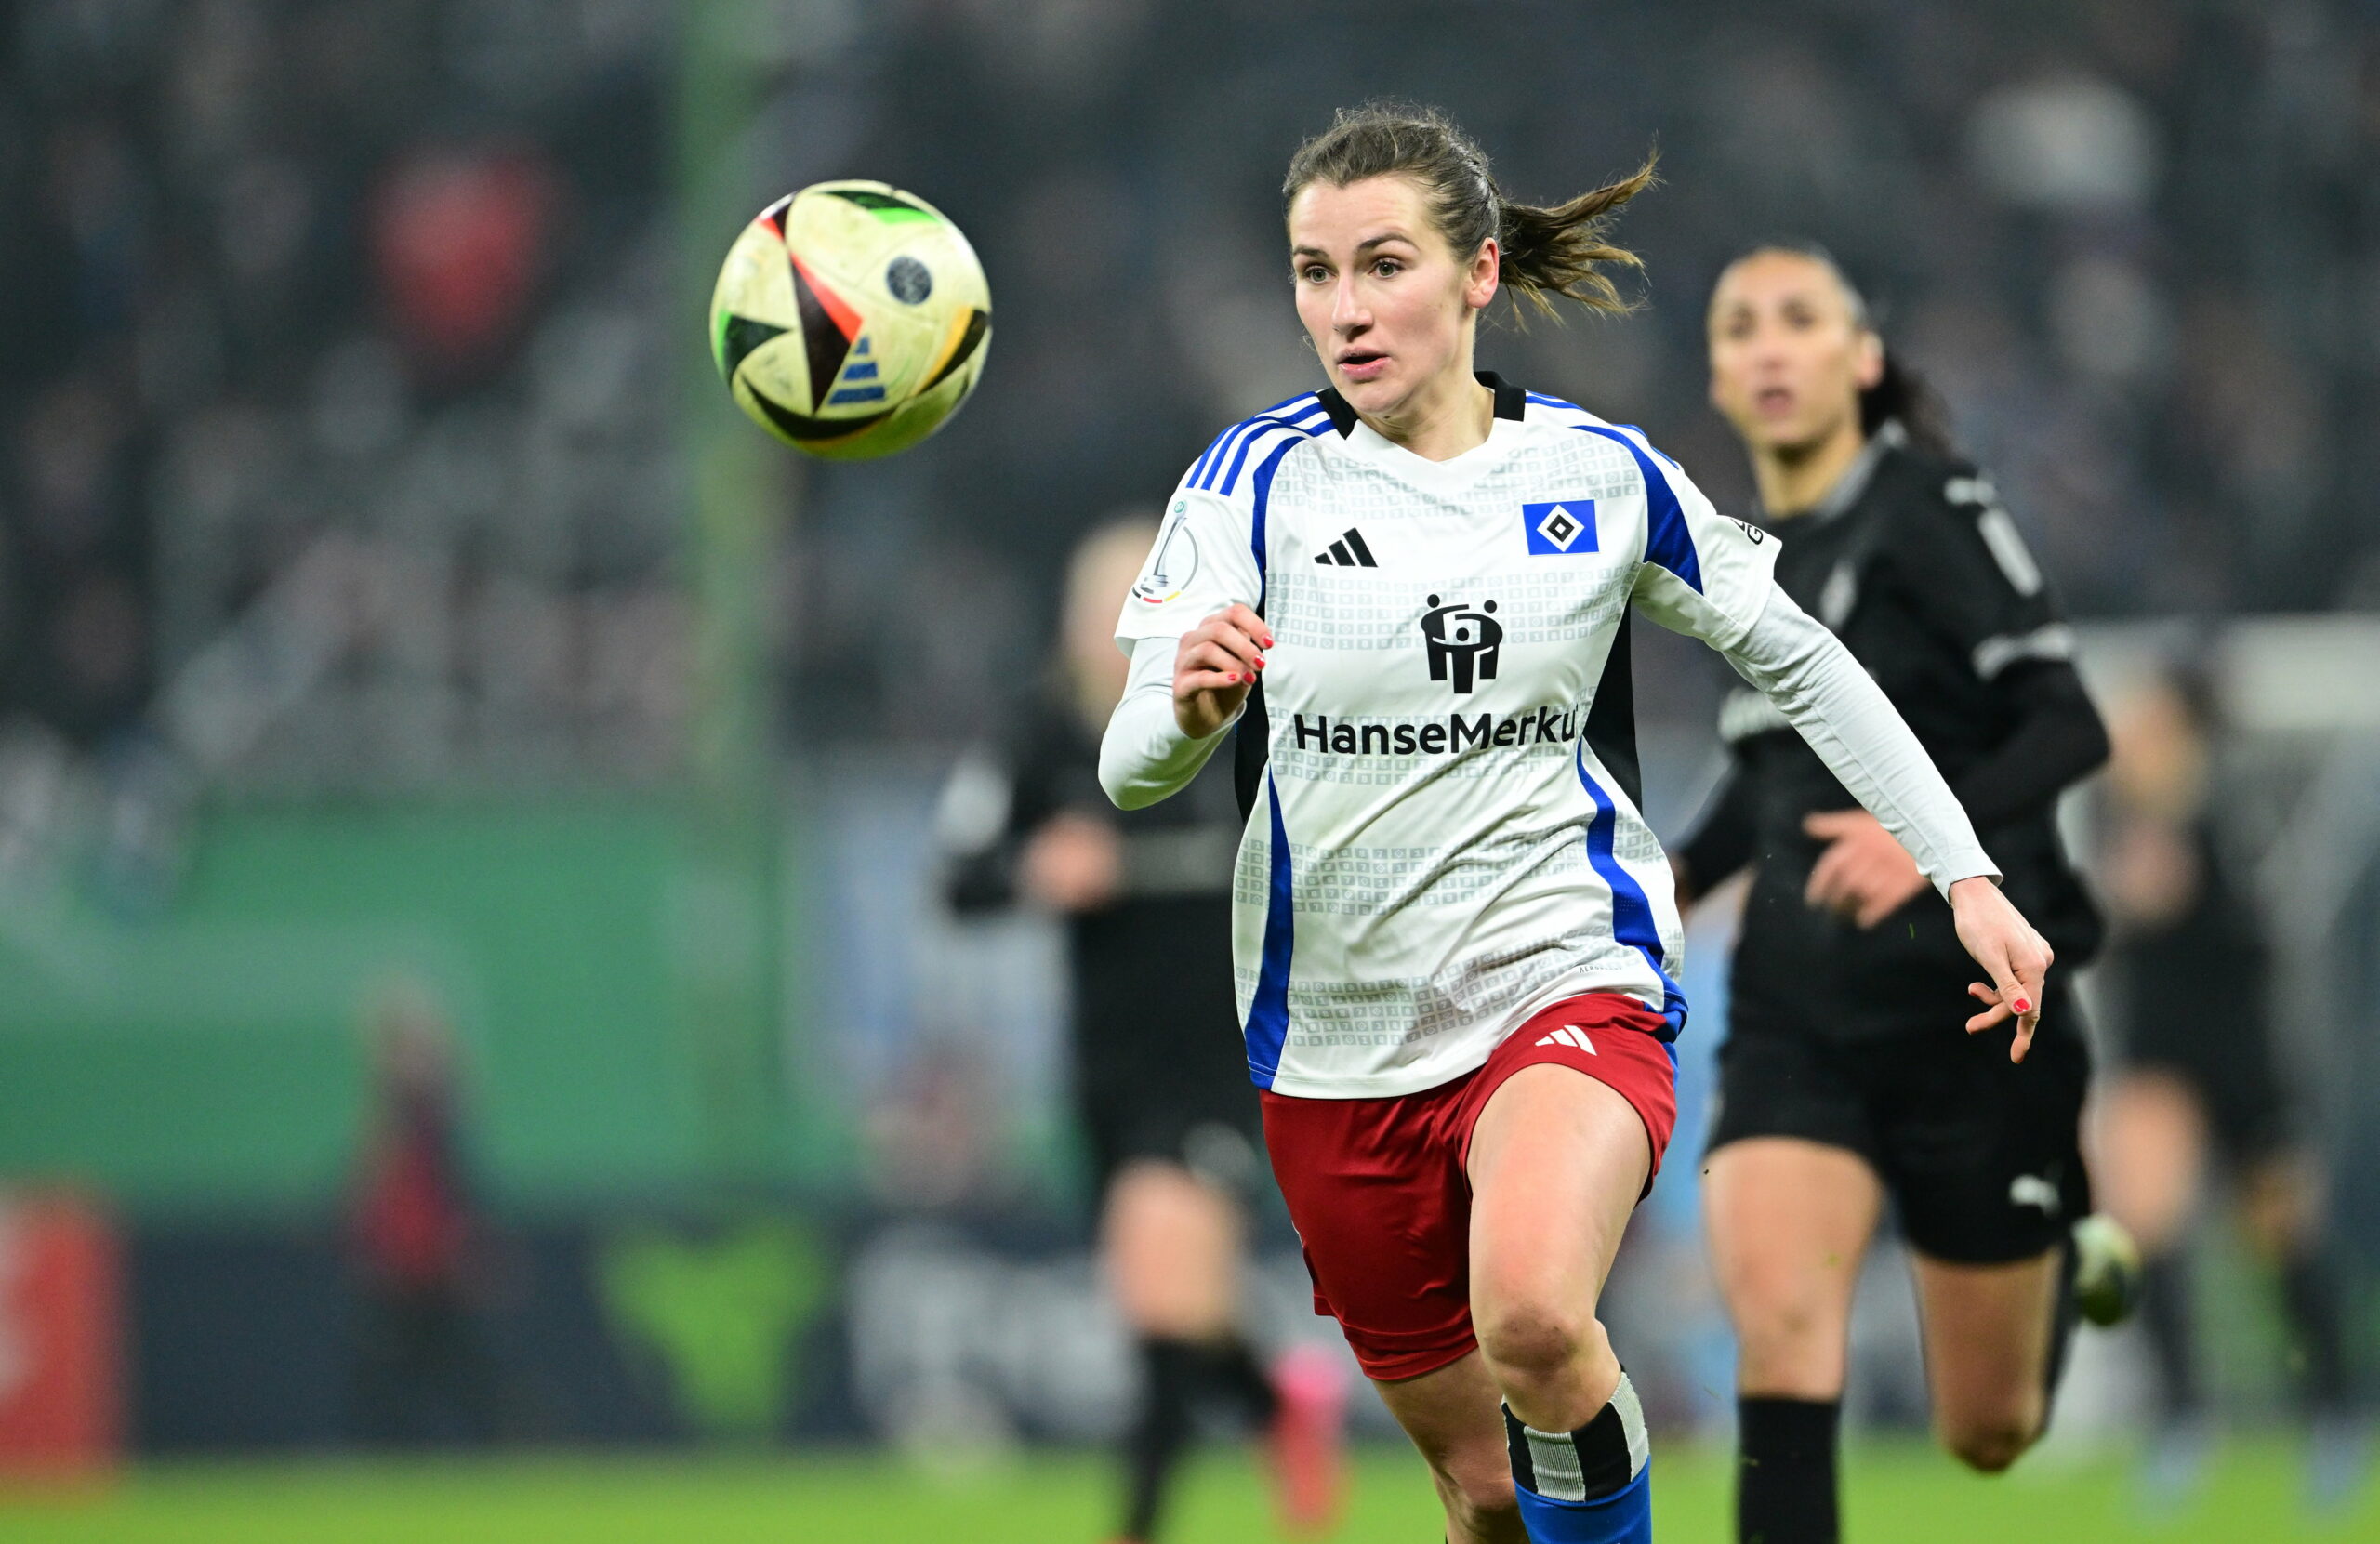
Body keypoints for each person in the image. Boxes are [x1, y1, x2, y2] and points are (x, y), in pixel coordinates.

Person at [1100, 103, 2057, 1544]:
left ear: (1480, 273)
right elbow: (1128, 768)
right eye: (1313, 273)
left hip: (1563, 977)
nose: (1345, 310)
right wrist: (1184, 707)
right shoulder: (1254, 485)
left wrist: (1965, 872)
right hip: (1333, 1042)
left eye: (1383, 265)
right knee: (1486, 1487)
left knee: (1540, 1316)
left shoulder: (1599, 477)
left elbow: (1800, 654)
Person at [1674, 244, 2138, 1544]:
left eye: (1800, 320)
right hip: (1795, 1011)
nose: (1769, 347)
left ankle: (2062, 1207)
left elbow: (2069, 724)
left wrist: (1922, 841)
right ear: (1716, 374)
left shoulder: (1927, 504)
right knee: (1780, 1335)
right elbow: (1759, 783)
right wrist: (1664, 883)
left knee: (1986, 1433)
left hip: (1969, 1014)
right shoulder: (1734, 558)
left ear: (1861, 361)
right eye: (1741, 328)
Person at [937, 517, 1346, 1544]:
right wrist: (1036, 870)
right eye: (1103, 610)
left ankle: (1137, 1524)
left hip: (1216, 1053)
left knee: (1163, 1310)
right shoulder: (1036, 738)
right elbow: (957, 872)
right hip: (1102, 1063)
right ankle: (1273, 1401)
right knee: (1165, 1305)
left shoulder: (1239, 725)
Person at [2094, 665, 2367, 1509]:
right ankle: (2181, 1419)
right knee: (2143, 1225)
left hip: (2241, 1051)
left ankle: (2336, 1409)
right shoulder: (2117, 805)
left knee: (2280, 1235)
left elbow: (2208, 905)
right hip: (2156, 1050)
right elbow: (2121, 898)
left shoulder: (2232, 806)